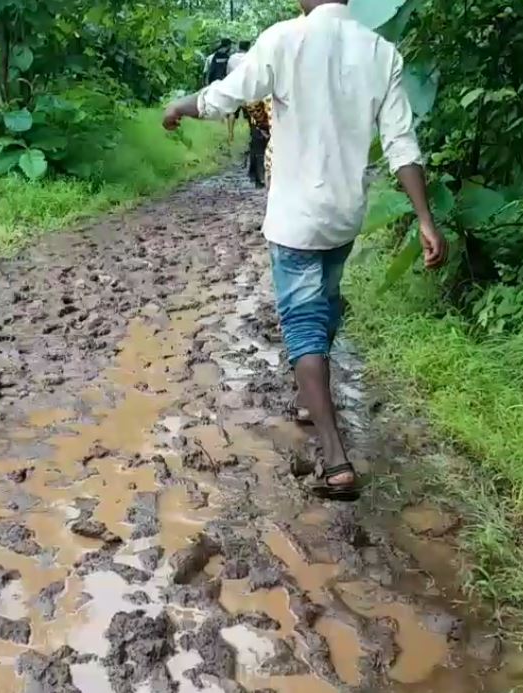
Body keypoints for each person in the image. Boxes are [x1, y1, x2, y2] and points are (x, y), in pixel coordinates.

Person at [163, 0, 447, 502]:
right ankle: (307, 397)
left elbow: (226, 95)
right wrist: (425, 219)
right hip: (343, 216)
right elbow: (402, 144)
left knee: (302, 321)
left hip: (295, 217)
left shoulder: (283, 40)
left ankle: (335, 457)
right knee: (325, 305)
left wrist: (179, 107)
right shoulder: (382, 52)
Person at [226, 41, 252, 143]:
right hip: (247, 88)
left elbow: (228, 73)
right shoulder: (251, 57)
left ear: (239, 47)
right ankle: (251, 133)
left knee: (232, 112)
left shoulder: (232, 58)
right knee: (251, 112)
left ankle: (230, 134)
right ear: (248, 47)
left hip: (234, 87)